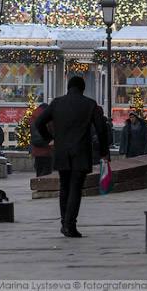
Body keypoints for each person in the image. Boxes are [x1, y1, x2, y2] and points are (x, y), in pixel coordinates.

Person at [34, 76, 110, 238]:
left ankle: (64, 222)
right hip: (81, 151)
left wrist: (50, 138)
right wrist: (103, 152)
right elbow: (101, 129)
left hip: (61, 151)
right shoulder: (89, 104)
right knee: (76, 188)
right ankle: (70, 224)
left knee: (64, 187)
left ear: (68, 88)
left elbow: (39, 121)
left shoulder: (57, 103)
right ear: (82, 89)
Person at [30, 102, 54, 177]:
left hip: (36, 149)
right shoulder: (48, 117)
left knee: (39, 170)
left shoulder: (33, 117)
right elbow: (53, 130)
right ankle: (44, 187)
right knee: (46, 172)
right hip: (47, 149)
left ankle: (38, 184)